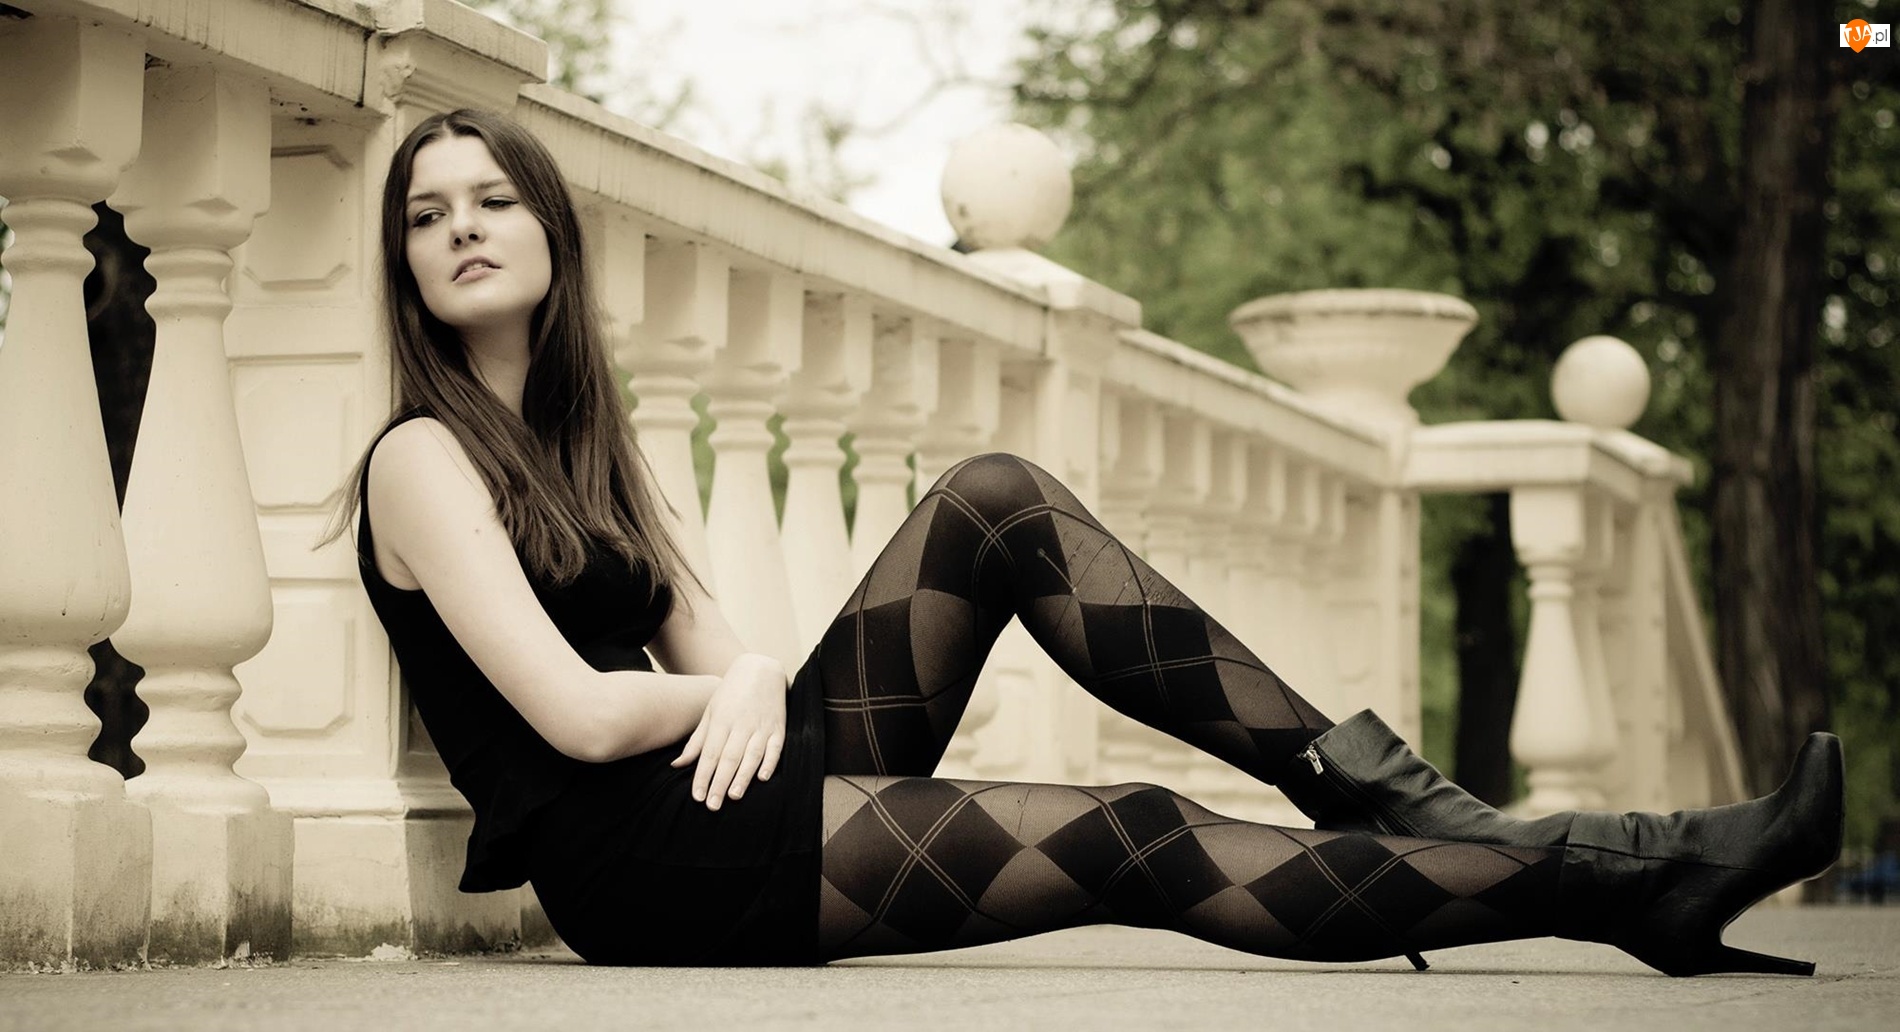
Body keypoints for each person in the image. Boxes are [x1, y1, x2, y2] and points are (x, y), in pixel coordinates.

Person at [332, 108, 1844, 974]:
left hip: (735, 787)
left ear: (551, 232)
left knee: (996, 496)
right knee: (1135, 834)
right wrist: (724, 691)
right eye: (426, 215)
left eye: (494, 199)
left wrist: (733, 683)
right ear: (404, 265)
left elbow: (731, 662)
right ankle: (1613, 881)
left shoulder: (582, 450)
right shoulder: (418, 462)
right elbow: (581, 715)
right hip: (653, 865)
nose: (461, 228)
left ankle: (1393, 797)